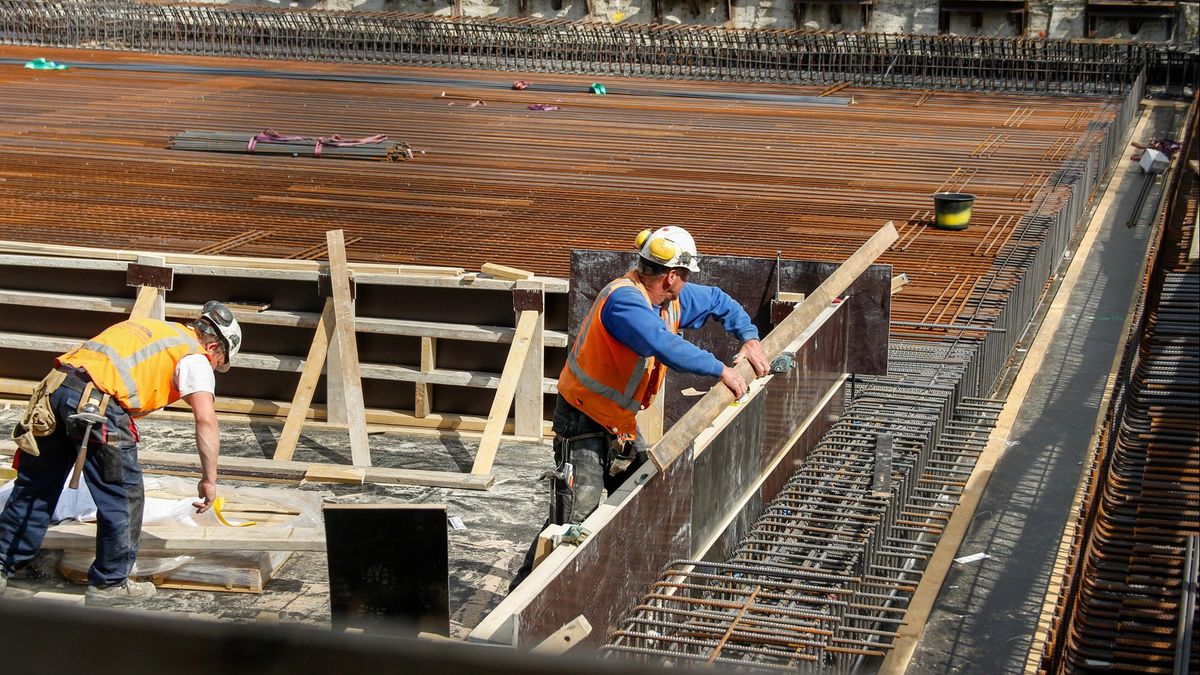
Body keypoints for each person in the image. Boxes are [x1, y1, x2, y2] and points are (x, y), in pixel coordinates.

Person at [509, 226, 768, 589]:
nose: (689, 281)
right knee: (575, 518)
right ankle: (523, 599)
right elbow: (663, 345)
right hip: (582, 419)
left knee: (642, 494)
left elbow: (720, 301)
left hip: (619, 422)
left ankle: (609, 585)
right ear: (673, 275)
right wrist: (722, 370)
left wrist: (751, 339)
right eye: (687, 274)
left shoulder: (672, 298)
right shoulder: (625, 302)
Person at [0, 301, 242, 606]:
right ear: (214, 345)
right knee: (124, 495)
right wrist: (209, 479)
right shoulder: (194, 357)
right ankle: (110, 583)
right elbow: (206, 420)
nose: (216, 367)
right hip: (96, 405)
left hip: (55, 391)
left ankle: (2, 565)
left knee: (36, 487)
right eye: (220, 361)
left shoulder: (157, 330)